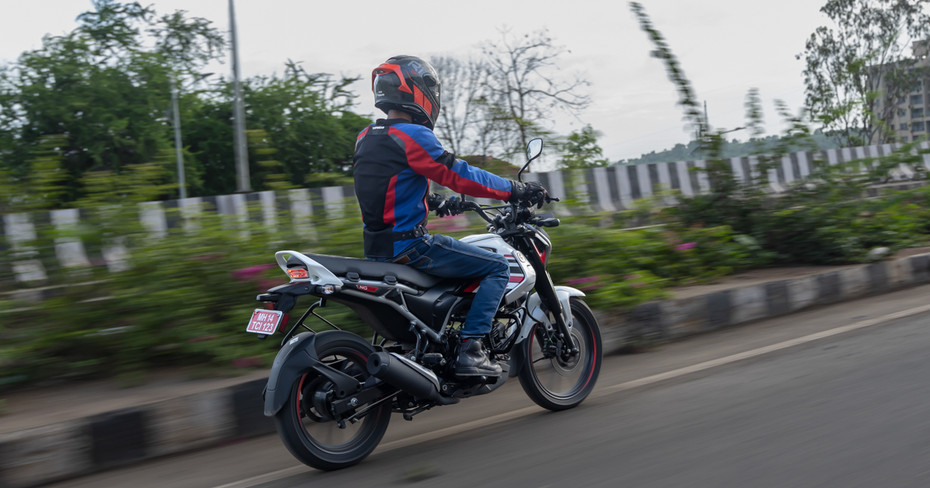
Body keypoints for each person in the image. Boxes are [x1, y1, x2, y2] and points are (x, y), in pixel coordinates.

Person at [353, 55, 548, 377]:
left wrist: (432, 201)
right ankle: (471, 351)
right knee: (497, 267)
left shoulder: (368, 136)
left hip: (376, 249)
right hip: (410, 247)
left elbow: (383, 187)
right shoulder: (412, 135)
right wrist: (514, 189)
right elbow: (460, 174)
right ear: (419, 92)